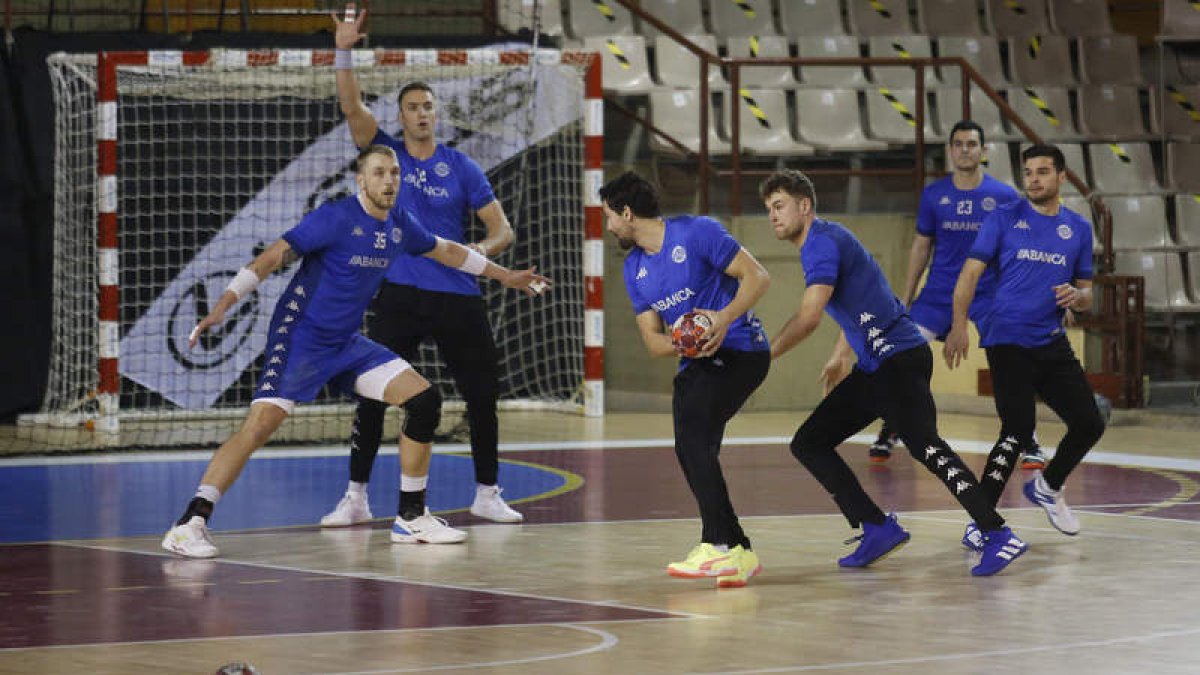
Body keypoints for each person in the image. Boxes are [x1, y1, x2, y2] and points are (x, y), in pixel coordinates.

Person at [161, 145, 549, 558]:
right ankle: (190, 523)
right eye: (379, 173)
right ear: (361, 180)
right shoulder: (336, 217)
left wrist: (505, 275)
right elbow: (274, 256)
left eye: (395, 173)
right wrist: (224, 303)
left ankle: (411, 517)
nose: (389, 181)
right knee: (258, 428)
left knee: (423, 401)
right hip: (301, 338)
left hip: (345, 343)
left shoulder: (400, 223)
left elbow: (448, 250)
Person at [760, 169, 1026, 577]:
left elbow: (810, 316)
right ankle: (876, 527)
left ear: (805, 205)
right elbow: (864, 303)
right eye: (768, 210)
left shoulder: (822, 243)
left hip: (897, 361)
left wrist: (764, 354)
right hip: (878, 364)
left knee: (928, 448)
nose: (773, 216)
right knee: (810, 442)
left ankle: (998, 534)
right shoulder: (826, 241)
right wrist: (840, 353)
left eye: (779, 206)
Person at [321, 8, 525, 528]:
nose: (421, 114)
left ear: (437, 114)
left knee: (482, 396)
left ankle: (487, 493)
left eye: (428, 107)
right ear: (401, 114)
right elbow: (350, 105)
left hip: (457, 296)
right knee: (374, 395)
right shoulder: (387, 155)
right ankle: (357, 496)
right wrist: (344, 49)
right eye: (412, 107)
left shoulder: (461, 166)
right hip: (400, 295)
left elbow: (504, 232)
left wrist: (473, 253)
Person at [600, 171, 771, 588]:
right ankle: (739, 551)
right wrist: (686, 340)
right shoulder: (635, 269)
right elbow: (653, 343)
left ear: (627, 213)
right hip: (693, 363)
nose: (608, 227)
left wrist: (719, 320)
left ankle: (716, 544)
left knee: (694, 439)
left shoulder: (697, 233)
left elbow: (758, 277)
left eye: (609, 217)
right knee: (693, 448)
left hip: (741, 350)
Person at [944, 144, 1106, 543]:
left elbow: (1087, 295)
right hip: (1006, 338)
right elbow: (968, 275)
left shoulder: (1078, 230)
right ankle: (983, 521)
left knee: (1089, 423)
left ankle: (1048, 487)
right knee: (1017, 429)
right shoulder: (1002, 218)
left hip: (1050, 342)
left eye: (1042, 172)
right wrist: (958, 325)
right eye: (1028, 172)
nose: (1033, 179)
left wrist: (1078, 298)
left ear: (1061, 177)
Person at [867, 121, 1034, 465]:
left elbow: (1017, 250)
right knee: (900, 355)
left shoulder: (1003, 197)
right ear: (950, 150)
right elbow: (920, 247)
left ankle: (1025, 436)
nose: (964, 150)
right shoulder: (934, 195)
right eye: (958, 144)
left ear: (983, 150)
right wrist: (906, 296)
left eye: (972, 144)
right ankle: (892, 426)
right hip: (938, 295)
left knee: (1010, 361)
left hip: (987, 295)